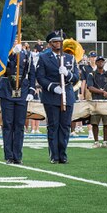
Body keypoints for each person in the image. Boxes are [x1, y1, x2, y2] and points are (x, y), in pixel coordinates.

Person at [36, 31, 80, 164]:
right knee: (53, 125)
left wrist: (67, 73)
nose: (58, 44)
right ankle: (54, 155)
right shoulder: (44, 57)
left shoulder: (70, 58)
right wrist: (52, 87)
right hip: (51, 95)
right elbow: (40, 77)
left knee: (65, 126)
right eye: (55, 42)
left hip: (67, 93)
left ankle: (63, 153)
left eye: (60, 41)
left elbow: (76, 78)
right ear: (50, 44)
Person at [0, 44, 36, 164]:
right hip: (7, 89)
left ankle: (18, 155)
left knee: (19, 125)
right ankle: (9, 155)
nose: (14, 41)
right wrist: (11, 54)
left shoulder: (28, 55)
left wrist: (31, 90)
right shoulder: (3, 54)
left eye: (16, 38)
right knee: (8, 124)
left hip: (22, 91)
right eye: (12, 38)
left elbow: (32, 73)